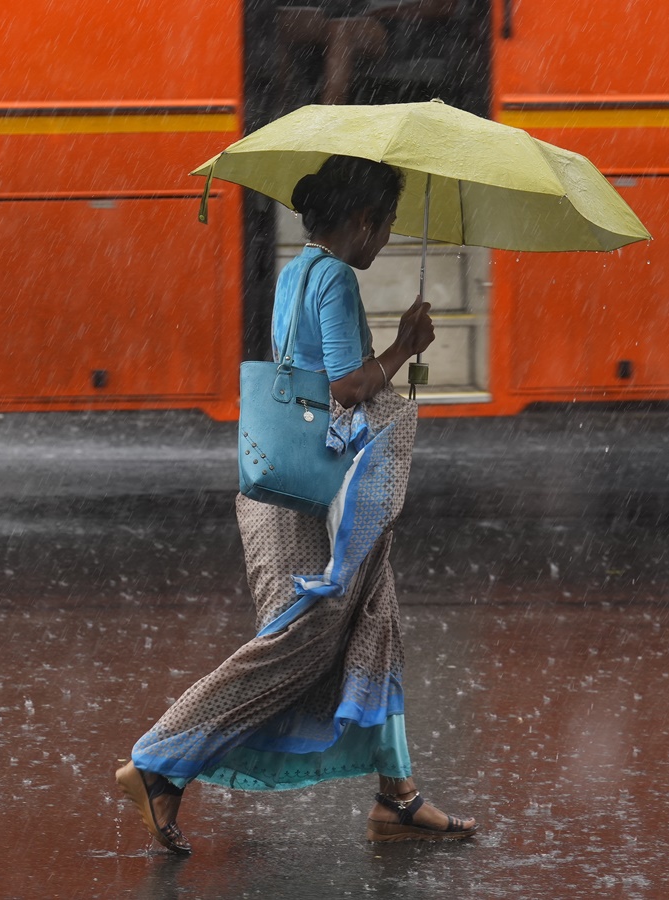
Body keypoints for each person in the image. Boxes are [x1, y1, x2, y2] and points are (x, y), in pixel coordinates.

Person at [115, 155, 476, 854]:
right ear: (363, 222)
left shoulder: (296, 270)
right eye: (388, 226)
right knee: (302, 638)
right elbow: (344, 387)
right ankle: (159, 760)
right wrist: (406, 345)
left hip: (311, 479)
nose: (387, 240)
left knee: (378, 619)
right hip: (314, 495)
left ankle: (396, 798)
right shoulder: (336, 277)